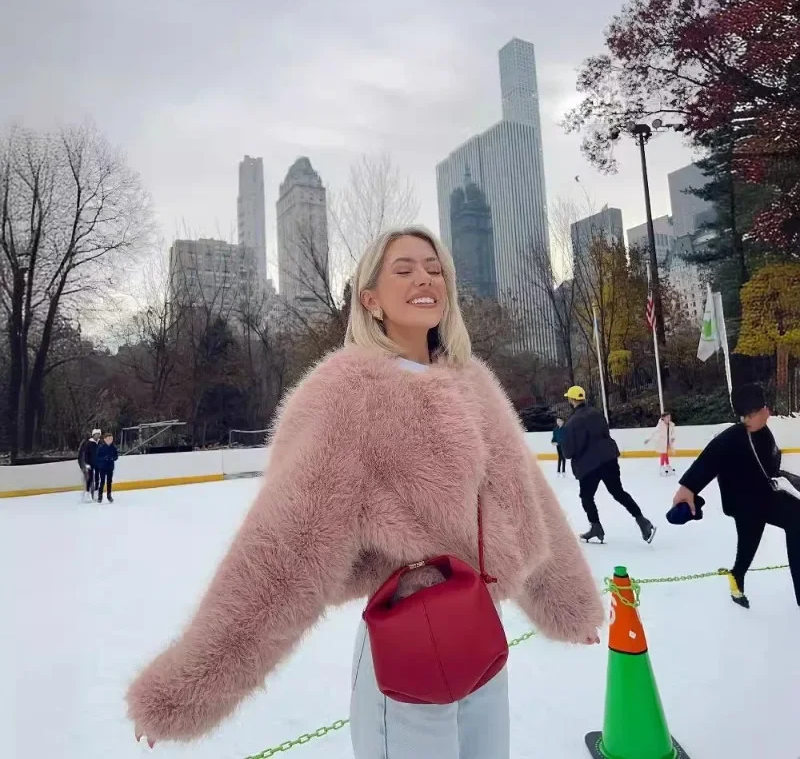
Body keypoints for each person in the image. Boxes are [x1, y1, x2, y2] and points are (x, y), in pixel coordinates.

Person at [126, 227, 603, 758]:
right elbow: (284, 552)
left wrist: (570, 604)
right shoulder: (346, 394)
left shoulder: (473, 381)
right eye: (403, 269)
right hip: (404, 645)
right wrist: (187, 691)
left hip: (478, 637)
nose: (424, 277)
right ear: (369, 299)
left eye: (434, 267)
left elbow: (525, 500)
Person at [672, 383, 800, 609]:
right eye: (763, 410)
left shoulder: (762, 431)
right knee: (750, 548)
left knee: (791, 522)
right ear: (749, 416)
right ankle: (738, 578)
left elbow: (770, 462)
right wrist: (687, 488)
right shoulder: (730, 439)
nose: (768, 412)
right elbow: (706, 463)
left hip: (765, 496)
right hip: (745, 505)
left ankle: (746, 578)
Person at [561, 385, 656, 544]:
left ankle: (596, 527)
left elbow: (568, 453)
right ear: (583, 398)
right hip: (608, 459)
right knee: (618, 492)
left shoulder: (570, 424)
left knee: (586, 496)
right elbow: (606, 434)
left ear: (571, 400)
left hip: (588, 465)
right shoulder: (597, 414)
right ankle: (642, 520)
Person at [77, 429, 102, 501]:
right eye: (96, 434)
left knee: (95, 478)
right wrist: (85, 465)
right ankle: (87, 494)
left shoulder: (99, 442)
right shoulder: (86, 443)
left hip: (95, 463)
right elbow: (83, 455)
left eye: (98, 434)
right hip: (87, 463)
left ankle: (93, 493)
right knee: (89, 478)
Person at [95, 432, 118, 504]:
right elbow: (97, 457)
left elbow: (116, 456)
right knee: (102, 481)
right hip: (102, 467)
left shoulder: (113, 447)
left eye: (111, 439)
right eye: (109, 439)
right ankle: (100, 495)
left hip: (110, 467)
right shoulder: (101, 448)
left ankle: (109, 495)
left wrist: (112, 458)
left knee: (109, 481)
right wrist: (104, 458)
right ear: (105, 439)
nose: (110, 440)